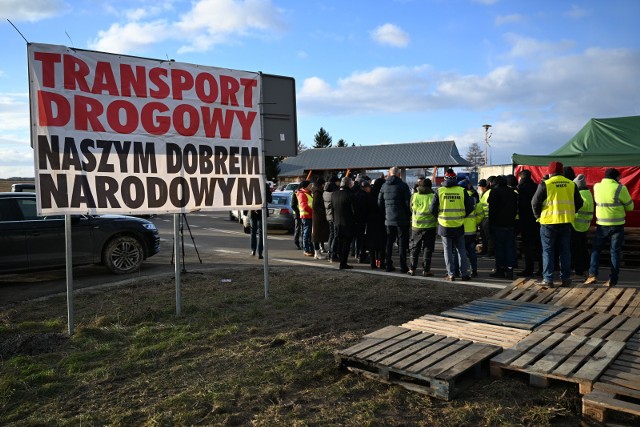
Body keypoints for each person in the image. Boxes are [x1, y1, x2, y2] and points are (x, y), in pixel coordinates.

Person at [532, 161, 583, 287]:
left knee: (548, 251)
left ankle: (548, 279)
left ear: (549, 172)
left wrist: (538, 216)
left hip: (548, 222)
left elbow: (535, 203)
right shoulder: (571, 184)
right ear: (562, 171)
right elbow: (579, 202)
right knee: (565, 251)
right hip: (565, 221)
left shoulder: (545, 184)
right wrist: (571, 212)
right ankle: (566, 279)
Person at [585, 168, 634, 286]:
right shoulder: (620, 188)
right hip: (617, 225)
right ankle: (613, 280)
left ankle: (592, 275)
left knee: (596, 250)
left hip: (601, 225)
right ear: (617, 178)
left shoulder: (597, 186)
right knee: (615, 253)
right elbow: (630, 207)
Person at [431, 168, 474, 281]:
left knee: (448, 251)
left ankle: (451, 274)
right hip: (458, 224)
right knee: (461, 250)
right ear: (455, 179)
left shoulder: (440, 191)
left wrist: (439, 218)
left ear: (444, 179)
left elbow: (432, 209)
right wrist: (462, 216)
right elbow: (470, 207)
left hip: (444, 225)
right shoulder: (461, 190)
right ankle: (464, 274)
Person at [378, 166, 412, 273]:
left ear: (389, 173)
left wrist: (386, 214)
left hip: (388, 219)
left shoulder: (384, 186)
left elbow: (379, 203)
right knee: (402, 243)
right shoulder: (403, 186)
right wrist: (408, 215)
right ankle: (403, 266)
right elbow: (408, 203)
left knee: (389, 242)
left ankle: (388, 264)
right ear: (398, 174)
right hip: (402, 220)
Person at [488, 175, 518, 279]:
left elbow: (492, 210)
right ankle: (510, 270)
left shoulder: (494, 192)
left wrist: (491, 224)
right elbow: (515, 209)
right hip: (510, 224)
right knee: (509, 248)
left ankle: (500, 269)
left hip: (498, 224)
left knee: (499, 248)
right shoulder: (512, 193)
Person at [407, 178, 437, 276]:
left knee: (415, 248)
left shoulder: (414, 196)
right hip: (430, 226)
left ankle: (412, 269)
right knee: (427, 249)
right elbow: (436, 210)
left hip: (416, 227)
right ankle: (426, 270)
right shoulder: (433, 196)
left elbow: (411, 208)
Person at [517, 169, 542, 277]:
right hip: (537, 220)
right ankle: (541, 269)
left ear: (521, 177)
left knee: (528, 247)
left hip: (525, 221)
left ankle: (529, 269)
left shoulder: (521, 189)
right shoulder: (536, 187)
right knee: (539, 247)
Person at [571, 174, 594, 279]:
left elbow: (575, 209)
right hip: (585, 225)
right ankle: (586, 270)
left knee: (577, 251)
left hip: (576, 225)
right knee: (583, 249)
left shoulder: (579, 194)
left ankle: (578, 272)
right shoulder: (588, 193)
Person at [459, 179, 483, 277]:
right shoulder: (474, 199)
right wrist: (475, 223)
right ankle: (474, 270)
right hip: (471, 231)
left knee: (460, 252)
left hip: (460, 229)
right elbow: (480, 215)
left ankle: (459, 271)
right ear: (468, 187)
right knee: (472, 251)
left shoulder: (458, 198)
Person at [332, 176, 356, 269]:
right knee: (346, 244)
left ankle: (341, 260)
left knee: (340, 243)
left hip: (337, 222)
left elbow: (332, 209)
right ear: (349, 184)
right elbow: (354, 210)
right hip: (348, 222)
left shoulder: (334, 194)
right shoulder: (350, 195)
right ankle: (343, 262)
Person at [366, 177, 387, 269]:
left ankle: (372, 263)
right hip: (382, 221)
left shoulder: (369, 195)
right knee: (382, 243)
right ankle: (381, 262)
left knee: (372, 244)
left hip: (371, 221)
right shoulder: (383, 195)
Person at [249, 184, 273, 259]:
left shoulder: (251, 183)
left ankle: (253, 250)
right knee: (261, 232)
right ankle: (260, 252)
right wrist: (268, 193)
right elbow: (270, 199)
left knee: (253, 231)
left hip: (253, 210)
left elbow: (248, 199)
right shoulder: (265, 185)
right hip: (261, 211)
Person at [323, 176, 340, 263]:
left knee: (331, 235)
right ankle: (333, 254)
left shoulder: (325, 193)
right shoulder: (333, 194)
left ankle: (330, 253)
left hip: (328, 216)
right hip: (333, 216)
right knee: (335, 235)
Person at [311, 178, 329, 259]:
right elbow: (315, 206)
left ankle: (318, 252)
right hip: (318, 217)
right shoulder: (317, 193)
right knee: (316, 235)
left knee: (317, 235)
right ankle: (317, 253)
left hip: (318, 216)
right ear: (321, 184)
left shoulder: (317, 192)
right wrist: (323, 212)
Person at [296, 180, 314, 256]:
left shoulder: (308, 193)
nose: (311, 186)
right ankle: (306, 249)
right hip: (306, 216)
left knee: (308, 234)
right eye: (310, 185)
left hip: (309, 215)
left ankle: (309, 249)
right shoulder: (302, 194)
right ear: (306, 186)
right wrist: (313, 212)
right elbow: (304, 206)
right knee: (306, 234)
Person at [291, 186, 302, 250]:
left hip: (302, 214)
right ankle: (296, 243)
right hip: (297, 215)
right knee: (298, 229)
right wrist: (298, 212)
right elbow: (293, 205)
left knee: (302, 230)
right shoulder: (296, 193)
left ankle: (302, 243)